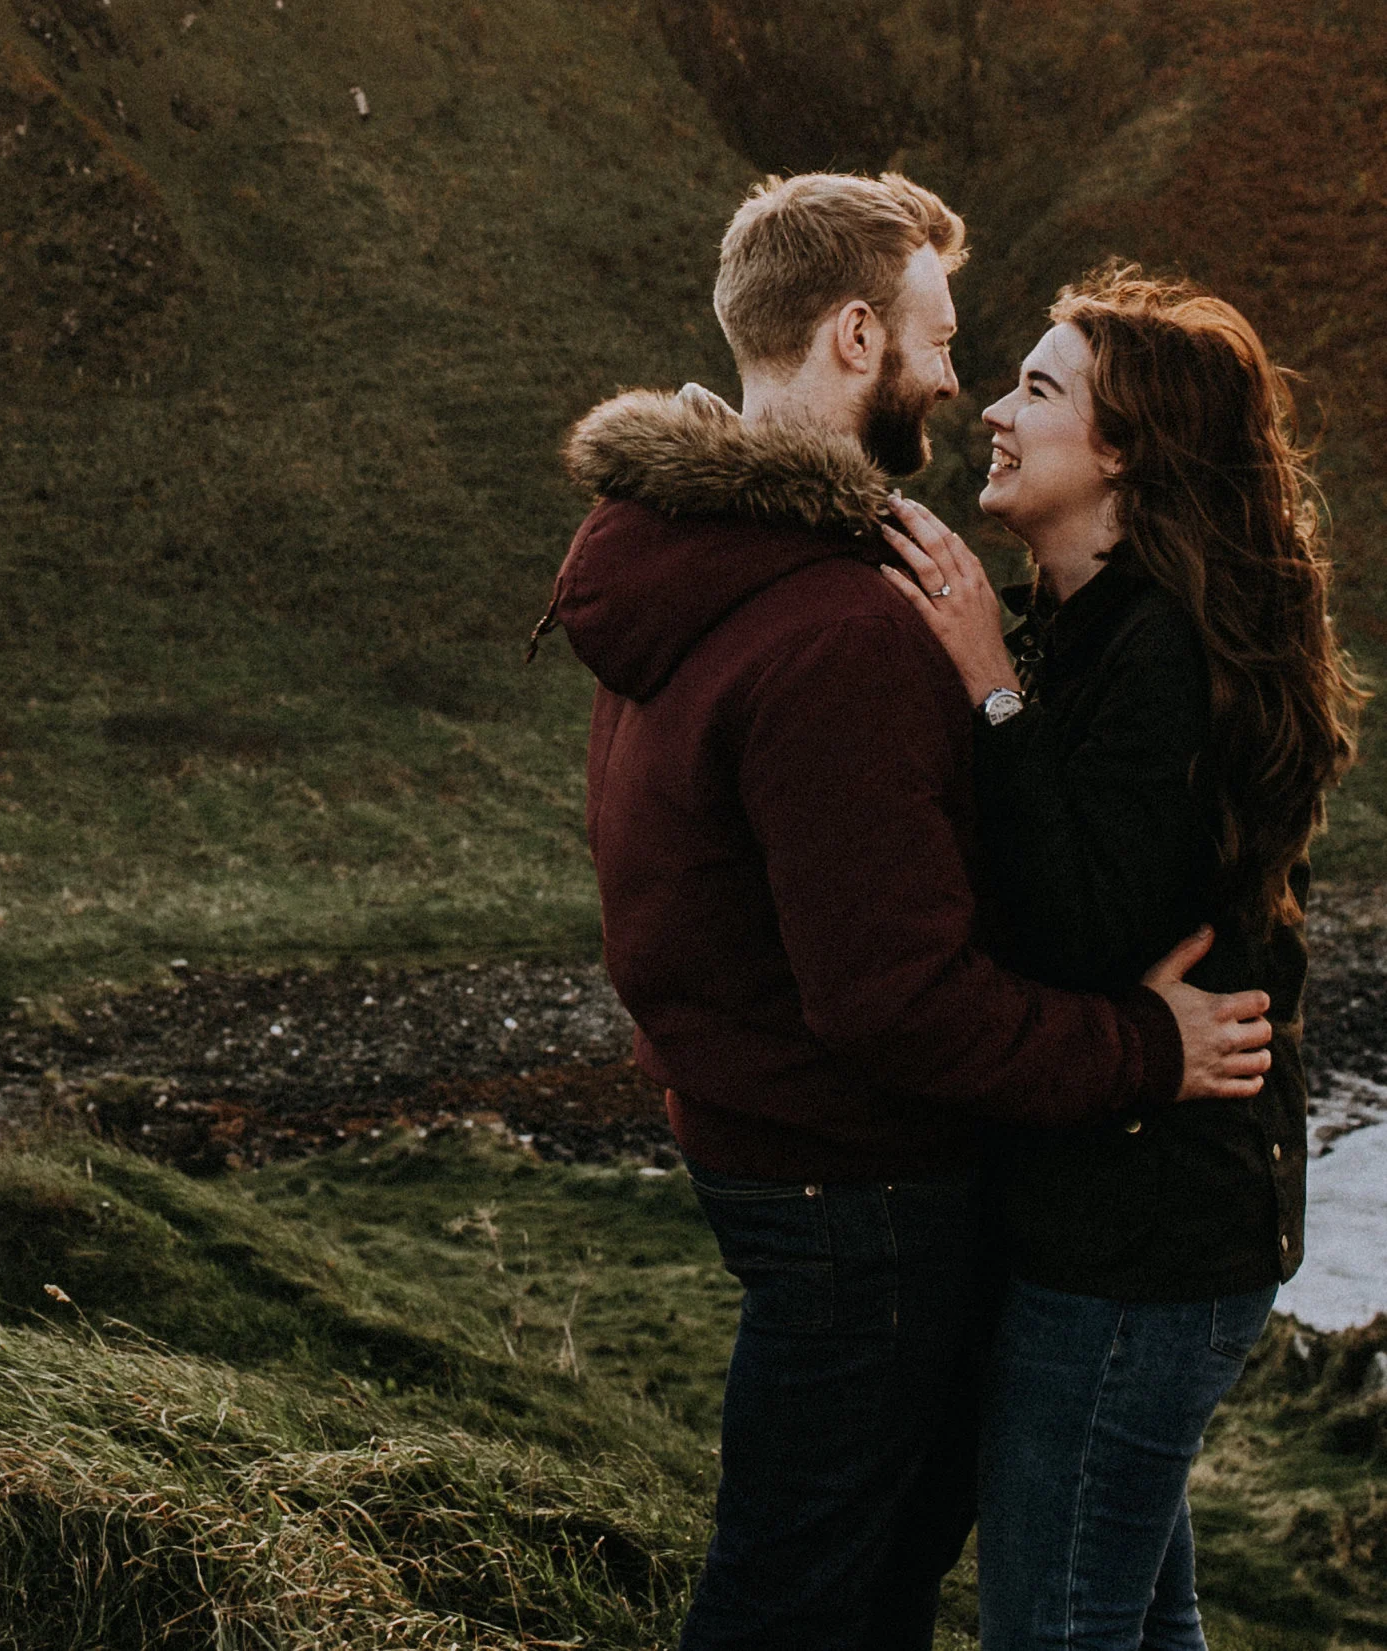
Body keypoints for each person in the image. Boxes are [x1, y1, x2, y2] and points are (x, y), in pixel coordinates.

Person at [538, 174, 1278, 1651]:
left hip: (769, 1155)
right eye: (942, 340)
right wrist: (1147, 1048)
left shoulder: (678, 558)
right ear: (859, 335)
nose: (960, 379)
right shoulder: (835, 627)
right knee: (812, 1604)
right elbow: (897, 999)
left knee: (832, 1583)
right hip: (855, 1202)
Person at [877, 266, 1361, 1651]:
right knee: (1138, 1621)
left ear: (1123, 452)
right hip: (1151, 1230)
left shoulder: (1153, 649)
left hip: (1142, 1248)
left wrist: (988, 679)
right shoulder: (1110, 631)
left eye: (1039, 389)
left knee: (1055, 1628)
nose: (996, 413)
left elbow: (1084, 924)